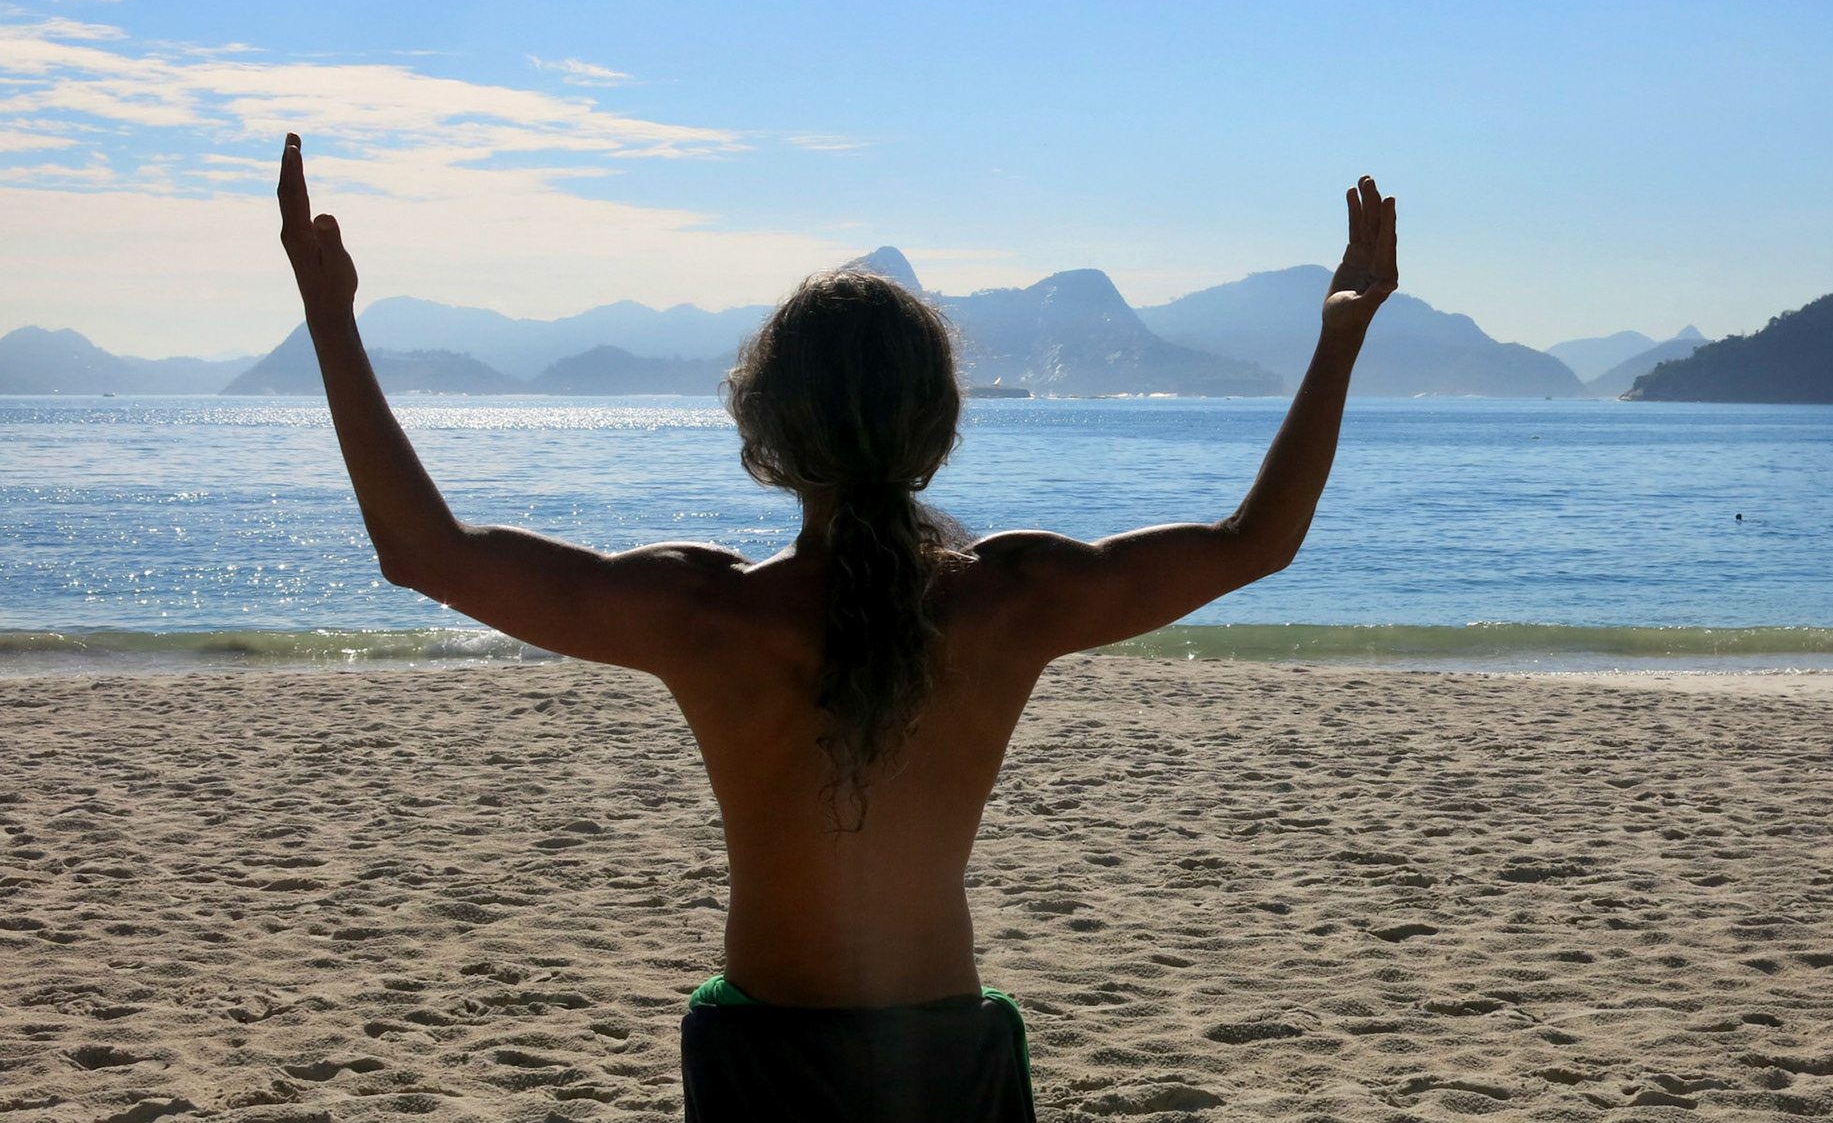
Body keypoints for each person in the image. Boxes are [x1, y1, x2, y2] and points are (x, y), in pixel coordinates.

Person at [276, 132, 1398, 1121]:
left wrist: (331, 325)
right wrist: (1339, 338)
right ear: (939, 424)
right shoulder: (1011, 598)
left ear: (762, 427)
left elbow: (425, 554)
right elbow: (1256, 540)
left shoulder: (703, 612)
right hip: (944, 1056)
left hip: (763, 1058)